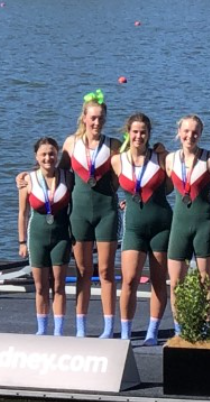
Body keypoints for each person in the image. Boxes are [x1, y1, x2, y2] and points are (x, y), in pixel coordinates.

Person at [61, 90, 120, 338]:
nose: (97, 123)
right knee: (83, 271)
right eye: (93, 118)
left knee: (105, 271)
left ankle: (108, 328)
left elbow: (129, 175)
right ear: (84, 118)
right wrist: (26, 177)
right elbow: (55, 173)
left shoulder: (115, 145)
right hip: (79, 214)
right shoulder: (70, 143)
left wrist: (158, 153)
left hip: (106, 212)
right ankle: (82, 328)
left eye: (101, 119)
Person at [111, 113, 172, 345]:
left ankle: (152, 332)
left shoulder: (160, 158)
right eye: (134, 132)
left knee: (158, 281)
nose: (138, 136)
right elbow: (102, 186)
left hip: (161, 225)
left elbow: (170, 188)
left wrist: (164, 153)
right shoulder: (117, 161)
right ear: (128, 132)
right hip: (134, 227)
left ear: (148, 134)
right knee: (129, 280)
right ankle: (126, 333)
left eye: (143, 132)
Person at [165, 114, 210, 336]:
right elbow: (159, 187)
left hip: (204, 225)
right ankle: (179, 328)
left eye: (195, 132)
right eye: (186, 131)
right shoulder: (170, 160)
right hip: (179, 226)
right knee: (176, 282)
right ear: (179, 133)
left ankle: (206, 324)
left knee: (206, 280)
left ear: (200, 134)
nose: (190, 135)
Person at [17, 138, 72, 336]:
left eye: (52, 154)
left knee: (59, 285)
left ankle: (58, 330)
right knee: (41, 287)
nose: (48, 158)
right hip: (37, 238)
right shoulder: (28, 180)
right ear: (36, 157)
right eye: (44, 154)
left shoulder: (68, 177)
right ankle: (42, 329)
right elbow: (22, 214)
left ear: (57, 155)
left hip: (61, 237)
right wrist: (22, 242)